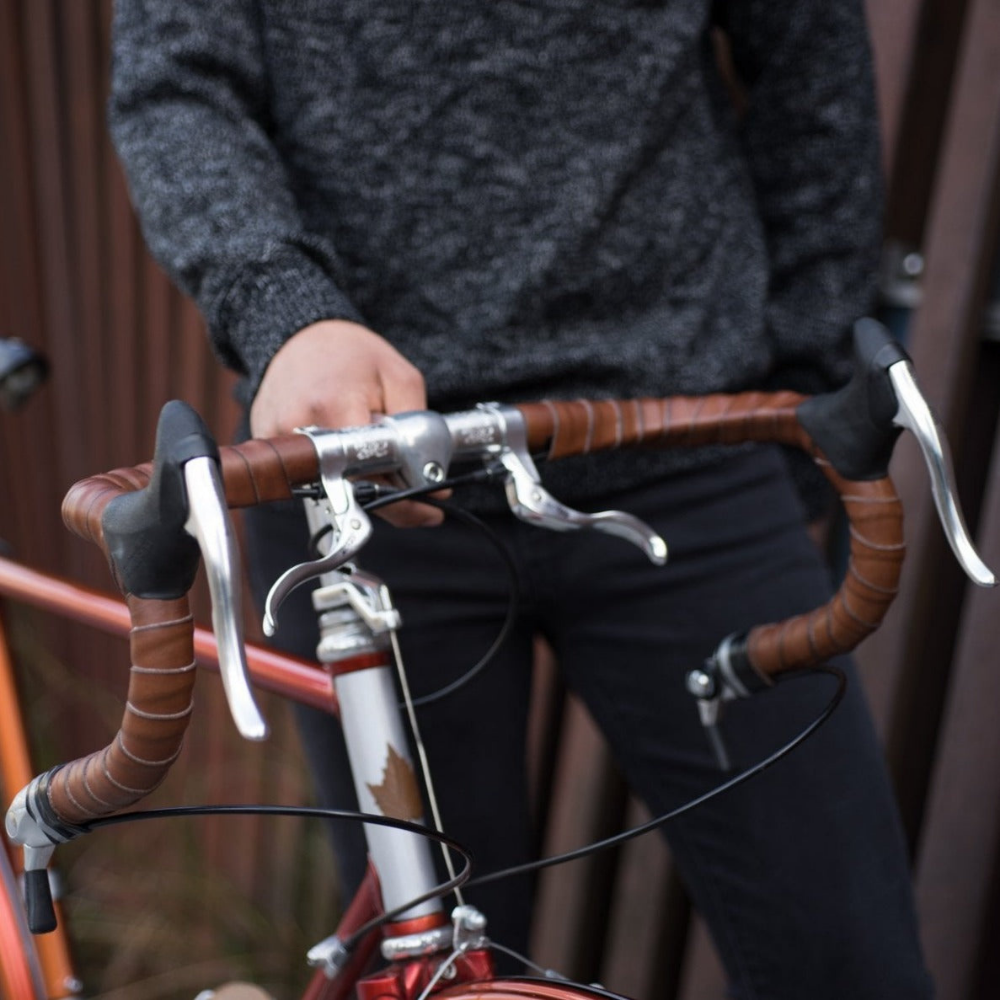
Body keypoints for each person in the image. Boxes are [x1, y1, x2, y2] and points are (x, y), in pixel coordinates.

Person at [108, 2, 934, 996]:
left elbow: (812, 64)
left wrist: (795, 388)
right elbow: (177, 82)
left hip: (690, 451)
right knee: (435, 968)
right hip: (362, 481)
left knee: (850, 960)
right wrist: (287, 314)